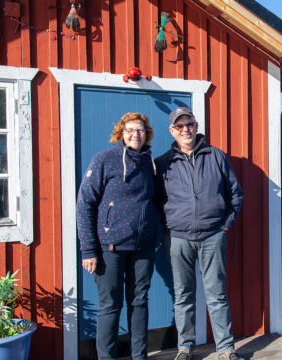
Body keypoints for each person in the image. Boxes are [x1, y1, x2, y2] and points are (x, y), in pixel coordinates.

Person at [155, 107, 244, 360]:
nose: (186, 130)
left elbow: (235, 194)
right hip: (178, 239)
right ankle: (185, 347)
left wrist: (225, 224)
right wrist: (169, 226)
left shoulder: (216, 156)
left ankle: (226, 349)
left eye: (190, 124)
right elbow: (155, 201)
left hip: (212, 236)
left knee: (216, 294)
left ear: (196, 126)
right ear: (172, 131)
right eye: (179, 126)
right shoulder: (164, 163)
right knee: (183, 296)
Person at [76, 112, 159, 360]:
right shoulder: (105, 159)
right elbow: (84, 204)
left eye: (141, 130)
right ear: (121, 133)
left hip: (143, 247)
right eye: (131, 130)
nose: (136, 134)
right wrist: (88, 250)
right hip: (109, 248)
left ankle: (139, 356)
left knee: (139, 302)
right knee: (110, 306)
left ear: (147, 134)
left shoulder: (149, 161)